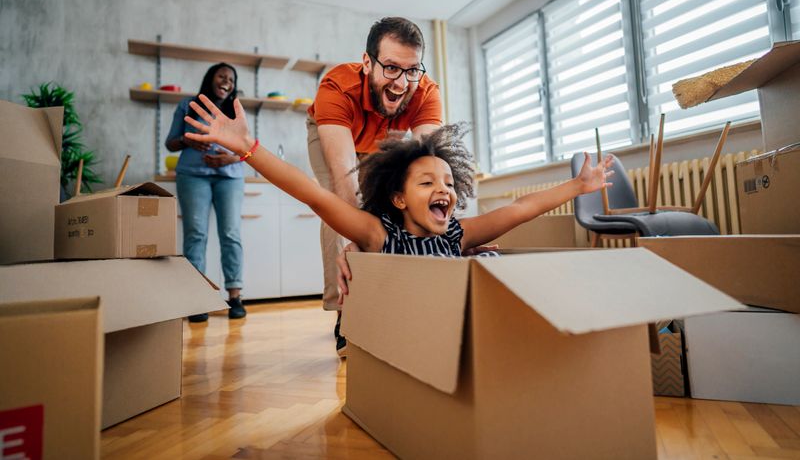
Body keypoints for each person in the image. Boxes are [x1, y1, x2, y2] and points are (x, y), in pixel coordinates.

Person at [184, 95, 614, 323]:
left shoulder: (455, 235)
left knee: (491, 257)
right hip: (403, 332)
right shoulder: (378, 236)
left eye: (448, 182)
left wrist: (578, 185)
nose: (442, 188)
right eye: (426, 182)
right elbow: (314, 196)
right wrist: (248, 148)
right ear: (399, 197)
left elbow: (520, 209)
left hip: (456, 330)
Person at [306, 17, 442, 355]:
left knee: (395, 204)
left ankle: (390, 301)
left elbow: (431, 172)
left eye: (412, 70)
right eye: (392, 68)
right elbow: (345, 181)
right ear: (367, 62)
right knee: (339, 209)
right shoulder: (336, 87)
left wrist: (445, 236)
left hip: (384, 138)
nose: (402, 82)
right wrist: (356, 241)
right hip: (336, 135)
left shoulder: (425, 92)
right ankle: (345, 313)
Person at [165, 63, 247, 322]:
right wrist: (187, 140)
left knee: (231, 234)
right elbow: (170, 142)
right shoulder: (188, 105)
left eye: (231, 79)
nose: (227, 82)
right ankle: (196, 299)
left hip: (229, 177)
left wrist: (229, 159)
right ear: (210, 79)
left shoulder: (235, 111)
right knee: (196, 235)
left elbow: (248, 150)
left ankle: (234, 297)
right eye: (222, 76)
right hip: (193, 175)